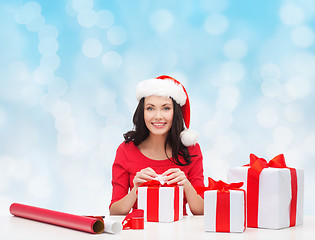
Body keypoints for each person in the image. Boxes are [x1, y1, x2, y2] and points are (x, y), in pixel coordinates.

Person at [109, 75, 204, 215]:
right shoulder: (126, 150)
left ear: (175, 112)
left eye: (166, 108)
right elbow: (115, 212)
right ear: (142, 112)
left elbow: (201, 211)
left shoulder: (191, 149)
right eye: (150, 108)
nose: (158, 116)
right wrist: (136, 190)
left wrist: (186, 185)